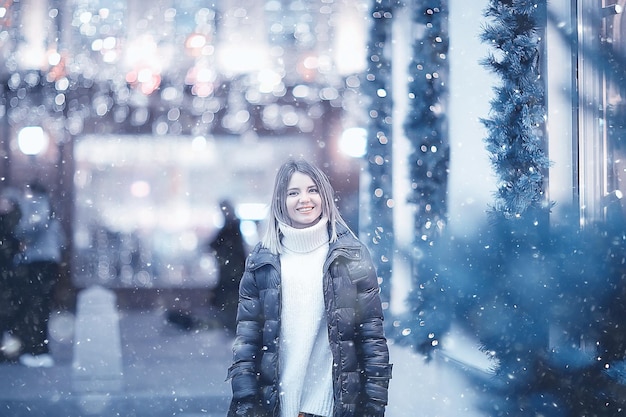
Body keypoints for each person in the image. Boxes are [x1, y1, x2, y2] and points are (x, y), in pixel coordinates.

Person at [226, 158, 392, 417]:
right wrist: (246, 402)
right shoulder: (262, 261)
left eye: (312, 190)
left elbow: (371, 339)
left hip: (331, 408)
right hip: (274, 408)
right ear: (281, 200)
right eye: (293, 192)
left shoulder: (351, 256)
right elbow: (247, 344)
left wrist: (374, 405)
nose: (305, 199)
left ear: (324, 195)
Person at [13, 182, 66, 368]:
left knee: (34, 305)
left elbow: (32, 227)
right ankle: (40, 348)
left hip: (38, 262)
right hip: (48, 261)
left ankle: (36, 349)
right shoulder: (50, 206)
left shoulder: (37, 204)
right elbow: (61, 240)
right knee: (42, 306)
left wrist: (19, 233)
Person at [208, 199, 247, 333]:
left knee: (229, 296)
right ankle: (231, 323)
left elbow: (220, 243)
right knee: (230, 296)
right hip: (232, 270)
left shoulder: (231, 226)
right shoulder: (233, 225)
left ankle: (230, 323)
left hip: (231, 270)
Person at [0, 190, 23, 362]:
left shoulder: (15, 221)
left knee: (9, 311)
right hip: (7, 270)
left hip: (9, 272)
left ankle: (10, 350)